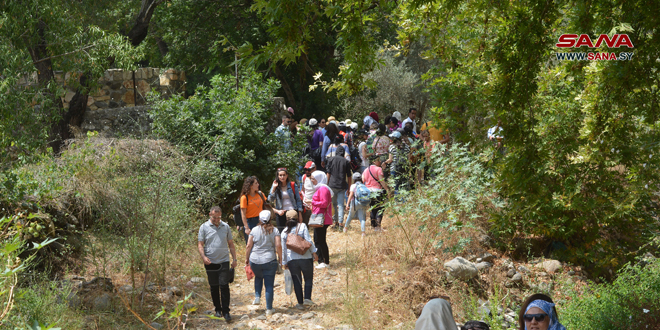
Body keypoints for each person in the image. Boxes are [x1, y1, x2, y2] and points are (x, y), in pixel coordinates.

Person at [197, 206, 237, 321]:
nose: (216, 219)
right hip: (210, 262)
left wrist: (234, 259)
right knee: (214, 287)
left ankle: (226, 311)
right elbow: (200, 244)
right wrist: (203, 257)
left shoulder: (226, 226)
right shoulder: (204, 227)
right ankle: (218, 309)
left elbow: (231, 244)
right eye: (214, 217)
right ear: (210, 214)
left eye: (219, 217)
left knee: (224, 286)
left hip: (224, 261)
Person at [245, 210, 282, 316]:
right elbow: (278, 245)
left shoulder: (254, 230)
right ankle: (269, 309)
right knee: (269, 284)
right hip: (269, 260)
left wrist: (247, 258)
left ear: (259, 219)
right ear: (270, 219)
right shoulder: (274, 230)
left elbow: (248, 245)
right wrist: (280, 258)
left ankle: (257, 297)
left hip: (255, 260)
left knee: (258, 276)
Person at [281, 210, 318, 309]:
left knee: (297, 281)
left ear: (286, 219)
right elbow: (308, 240)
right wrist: (314, 252)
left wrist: (284, 262)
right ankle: (307, 299)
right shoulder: (302, 226)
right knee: (308, 278)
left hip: (291, 259)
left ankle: (300, 303)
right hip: (305, 257)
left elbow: (283, 249)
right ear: (297, 218)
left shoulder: (284, 232)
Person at [309, 170, 333, 268]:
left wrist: (312, 202)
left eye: (313, 179)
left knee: (321, 240)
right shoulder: (320, 188)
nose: (312, 181)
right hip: (318, 217)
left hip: (322, 218)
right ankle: (320, 260)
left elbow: (324, 203)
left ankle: (325, 261)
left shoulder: (323, 188)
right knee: (317, 239)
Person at [268, 168, 303, 232]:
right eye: (280, 175)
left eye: (284, 175)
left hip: (292, 212)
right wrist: (273, 188)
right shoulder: (275, 186)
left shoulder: (292, 185)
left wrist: (300, 214)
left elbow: (298, 200)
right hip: (281, 213)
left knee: (292, 233)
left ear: (287, 175)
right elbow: (269, 200)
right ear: (278, 176)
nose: (282, 177)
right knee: (281, 233)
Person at [326, 146, 352, 229]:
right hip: (341, 186)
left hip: (332, 186)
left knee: (333, 204)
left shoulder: (330, 160)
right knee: (341, 205)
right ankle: (341, 223)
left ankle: (335, 222)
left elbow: (328, 173)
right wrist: (349, 189)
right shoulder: (346, 162)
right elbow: (349, 176)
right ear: (343, 153)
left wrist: (326, 185)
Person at [362, 156, 391, 231]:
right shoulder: (379, 169)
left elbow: (362, 180)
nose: (380, 162)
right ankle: (378, 227)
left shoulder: (366, 170)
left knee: (373, 208)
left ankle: (373, 226)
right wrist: (387, 190)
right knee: (380, 208)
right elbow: (382, 181)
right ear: (373, 162)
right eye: (378, 160)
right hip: (377, 191)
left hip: (369, 191)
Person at [240, 176, 266, 244]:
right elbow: (243, 214)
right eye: (256, 183)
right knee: (251, 244)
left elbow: (267, 206)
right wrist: (246, 228)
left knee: (262, 243)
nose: (258, 185)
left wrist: (277, 211)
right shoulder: (244, 197)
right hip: (250, 222)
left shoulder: (260, 194)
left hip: (261, 221)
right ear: (251, 185)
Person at [344, 172, 368, 237]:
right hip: (362, 203)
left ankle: (345, 229)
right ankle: (363, 232)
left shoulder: (353, 186)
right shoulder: (363, 186)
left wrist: (347, 204)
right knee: (362, 218)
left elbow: (351, 195)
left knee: (350, 216)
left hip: (354, 204)